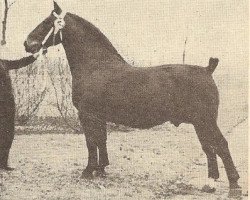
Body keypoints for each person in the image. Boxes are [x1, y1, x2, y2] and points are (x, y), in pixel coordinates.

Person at [0, 51, 40, 170]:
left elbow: (19, 63)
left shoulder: (3, 63)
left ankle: (3, 163)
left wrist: (33, 57)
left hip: (8, 103)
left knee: (8, 133)